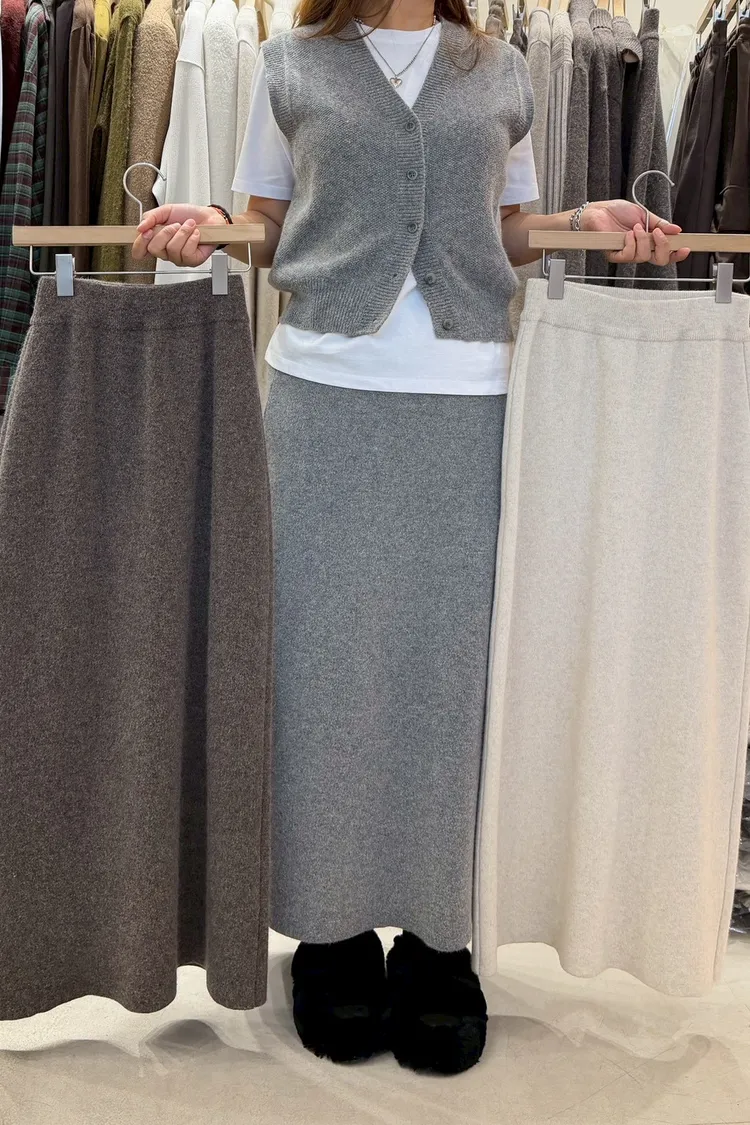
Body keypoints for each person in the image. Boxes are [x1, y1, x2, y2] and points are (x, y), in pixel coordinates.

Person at [133, 0, 690, 1077]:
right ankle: (331, 932)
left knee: (450, 674)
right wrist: (215, 225)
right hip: (321, 399)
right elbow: (267, 222)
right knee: (325, 672)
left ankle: (441, 940)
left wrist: (586, 218)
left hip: (467, 403)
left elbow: (508, 231)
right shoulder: (290, 65)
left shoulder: (502, 69)